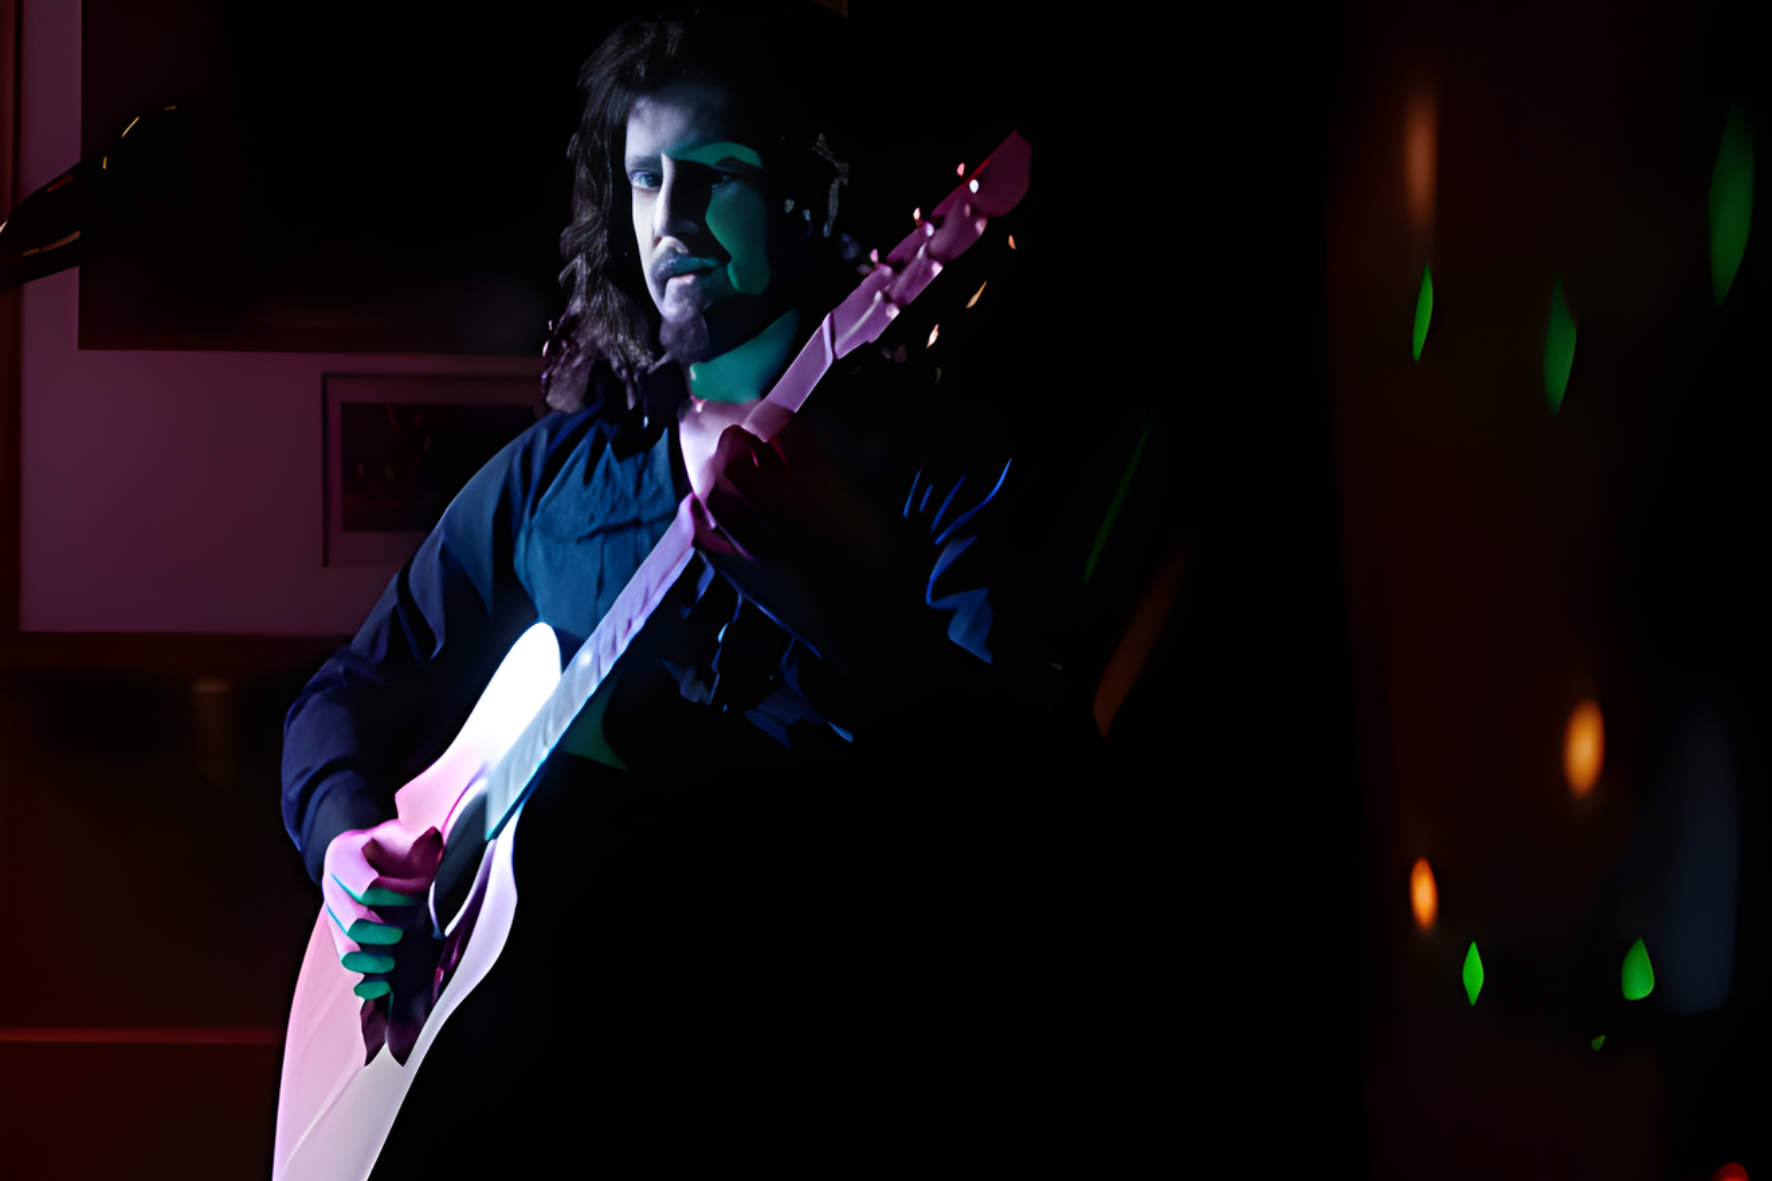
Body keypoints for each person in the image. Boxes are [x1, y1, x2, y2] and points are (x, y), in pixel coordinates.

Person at [282, 10, 1104, 1174]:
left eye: (715, 172)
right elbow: (343, 692)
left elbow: (1042, 795)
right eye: (644, 178)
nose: (670, 215)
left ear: (801, 194)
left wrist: (840, 604)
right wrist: (344, 842)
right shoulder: (549, 477)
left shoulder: (942, 468)